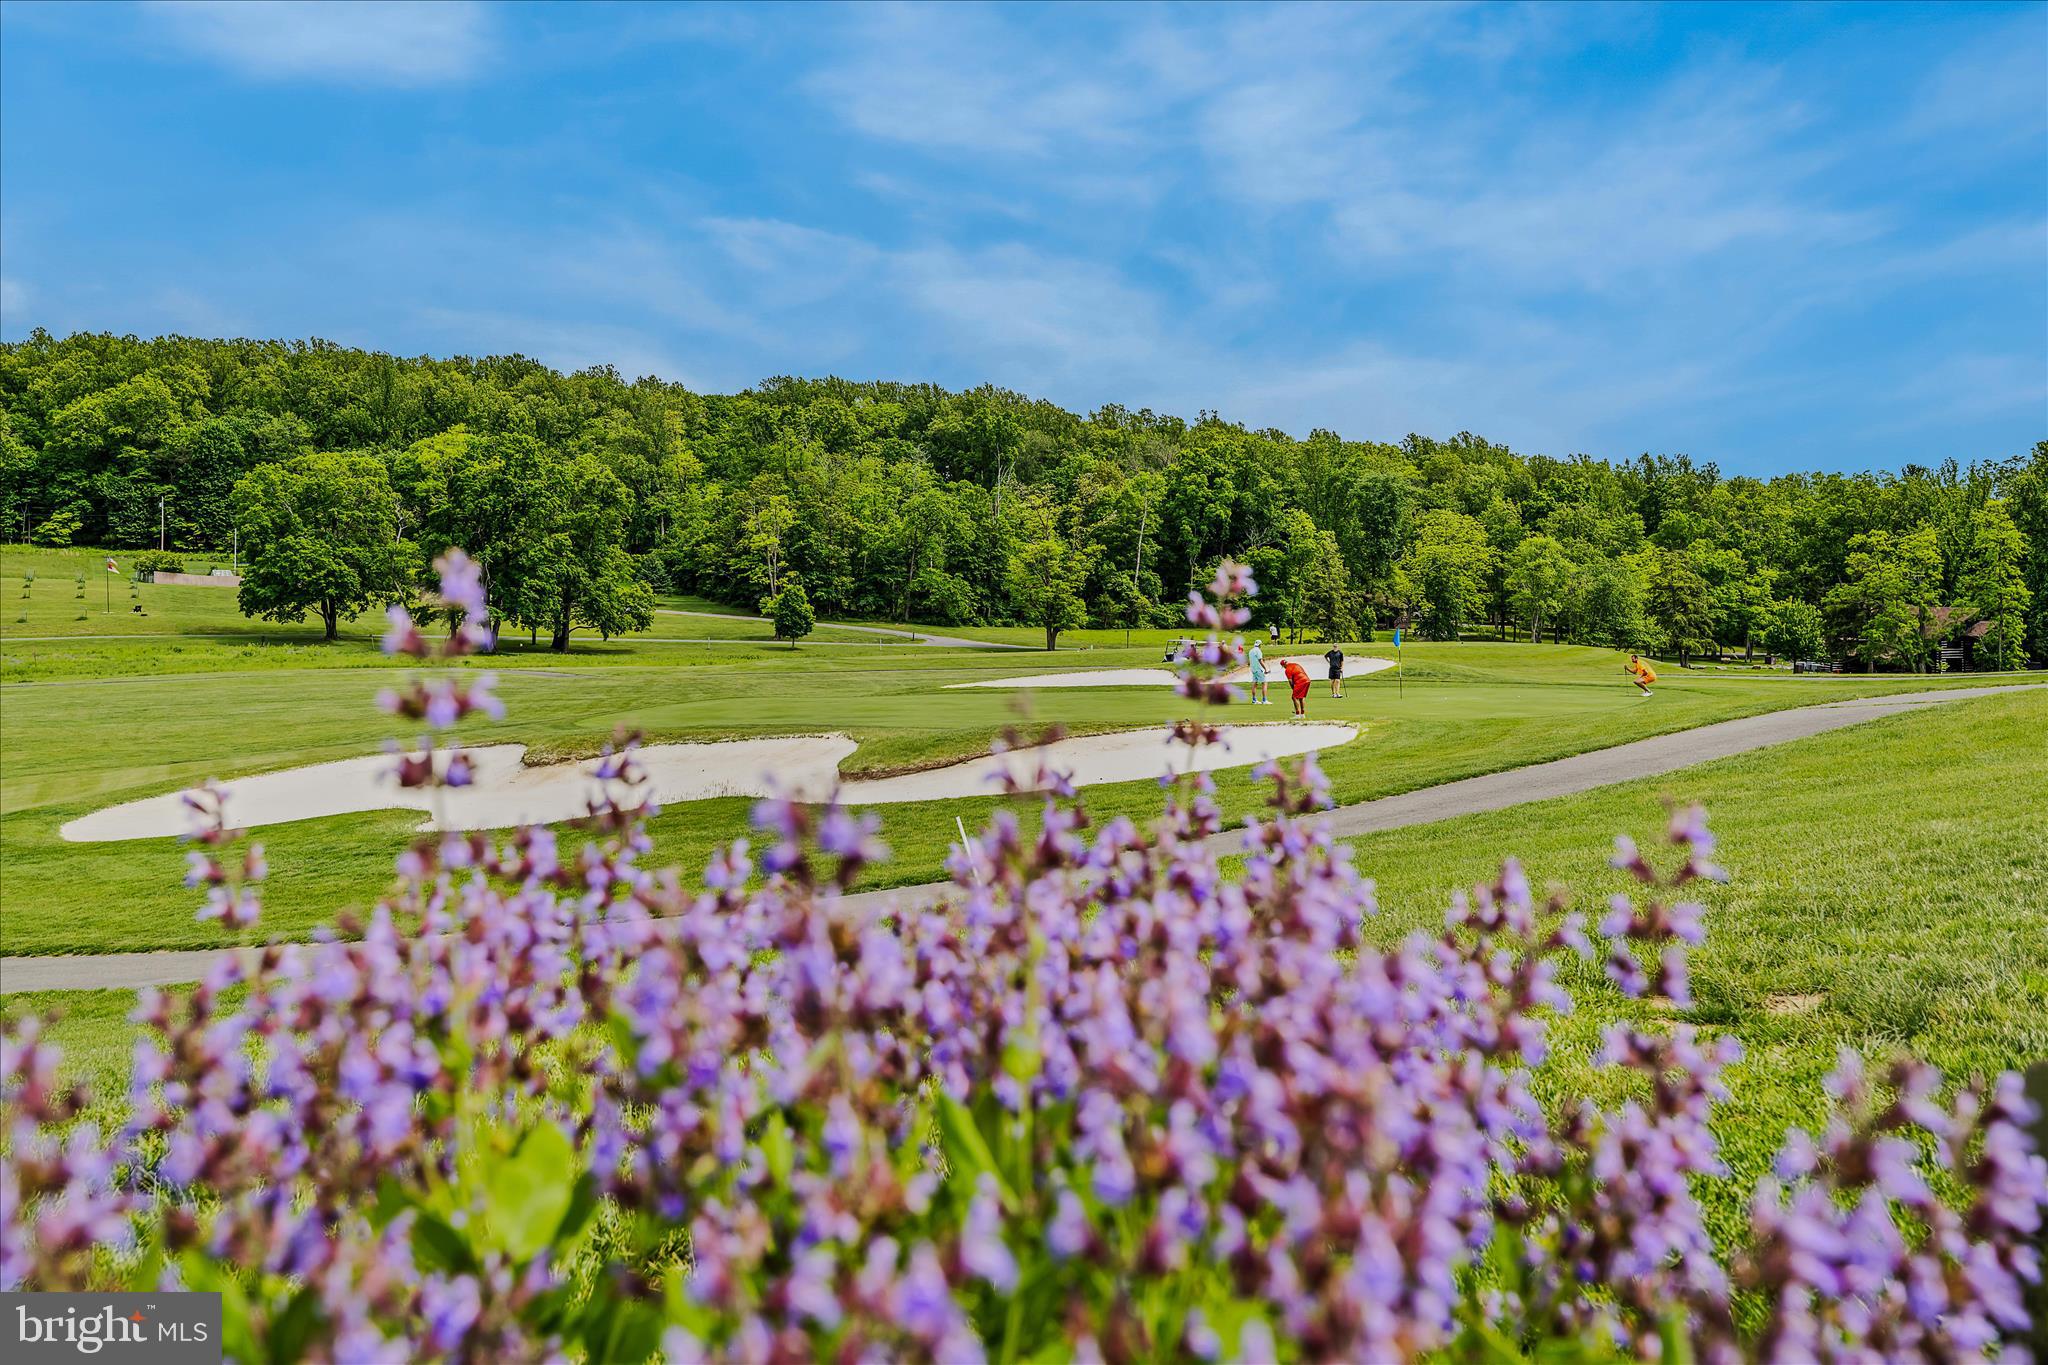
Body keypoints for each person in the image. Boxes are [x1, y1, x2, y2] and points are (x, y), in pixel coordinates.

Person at [1248, 639, 1268, 704]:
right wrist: (1265, 669)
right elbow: (1260, 660)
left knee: (1254, 684)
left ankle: (1254, 700)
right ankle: (1264, 700)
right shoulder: (1258, 651)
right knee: (1264, 683)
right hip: (1258, 669)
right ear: (1260, 645)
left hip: (1253, 669)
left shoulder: (1251, 651)